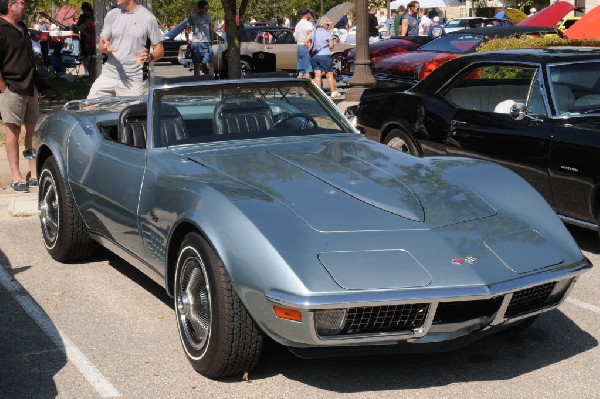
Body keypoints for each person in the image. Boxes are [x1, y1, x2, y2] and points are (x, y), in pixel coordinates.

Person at [0, 0, 42, 192]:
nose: (25, 5)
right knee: (13, 132)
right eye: (22, 2)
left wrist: (37, 86)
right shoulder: (1, 28)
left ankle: (33, 173)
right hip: (12, 87)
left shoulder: (22, 26)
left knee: (31, 132)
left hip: (30, 86)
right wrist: (2, 87)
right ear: (11, 5)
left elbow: (29, 58)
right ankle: (16, 177)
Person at [87, 0, 164, 98]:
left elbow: (160, 50)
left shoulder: (148, 18)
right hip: (108, 76)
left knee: (129, 113)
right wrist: (104, 47)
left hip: (134, 81)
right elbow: (102, 45)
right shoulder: (112, 14)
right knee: (89, 109)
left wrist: (150, 56)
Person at [307, 16, 340, 98]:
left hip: (314, 56)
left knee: (317, 75)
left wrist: (309, 47)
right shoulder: (326, 33)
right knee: (329, 74)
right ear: (324, 25)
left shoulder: (313, 33)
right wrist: (330, 44)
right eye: (328, 25)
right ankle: (333, 91)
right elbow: (331, 46)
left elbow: (305, 41)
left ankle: (319, 93)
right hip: (325, 56)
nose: (328, 26)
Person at [187, 0, 214, 77]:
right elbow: (187, 28)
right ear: (199, 8)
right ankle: (197, 82)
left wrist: (212, 41)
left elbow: (210, 29)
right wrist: (187, 39)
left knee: (210, 64)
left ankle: (211, 83)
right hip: (196, 43)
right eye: (205, 8)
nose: (207, 10)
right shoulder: (193, 16)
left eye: (207, 8)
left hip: (207, 43)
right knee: (197, 65)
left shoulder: (208, 16)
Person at [293, 8, 313, 79]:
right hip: (306, 47)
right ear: (307, 14)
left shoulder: (297, 24)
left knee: (301, 70)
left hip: (299, 47)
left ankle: (298, 88)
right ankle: (308, 88)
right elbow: (310, 33)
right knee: (308, 69)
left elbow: (295, 38)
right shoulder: (308, 24)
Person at [77, 1, 95, 78]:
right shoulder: (82, 17)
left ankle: (90, 73)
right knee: (86, 56)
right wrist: (87, 35)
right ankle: (87, 72)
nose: (85, 12)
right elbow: (79, 27)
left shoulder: (93, 16)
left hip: (92, 39)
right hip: (85, 39)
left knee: (92, 57)